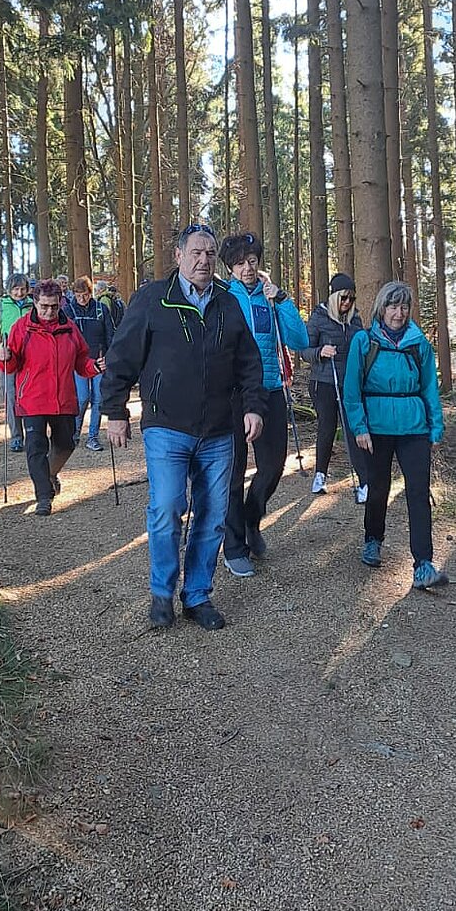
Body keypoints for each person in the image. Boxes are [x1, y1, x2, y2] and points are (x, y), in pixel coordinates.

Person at [102, 224, 265, 631]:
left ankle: (197, 595)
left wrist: (253, 407)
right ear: (178, 256)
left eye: (209, 253)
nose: (203, 260)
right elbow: (122, 355)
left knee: (212, 515)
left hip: (219, 429)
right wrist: (115, 410)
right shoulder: (153, 299)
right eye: (195, 252)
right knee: (167, 506)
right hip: (167, 425)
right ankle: (162, 593)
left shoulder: (228, 303)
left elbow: (249, 363)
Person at [342, 280, 449, 589]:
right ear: (382, 308)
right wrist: (359, 427)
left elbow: (429, 387)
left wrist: (436, 426)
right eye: (392, 306)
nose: (398, 313)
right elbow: (351, 390)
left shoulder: (419, 344)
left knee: (418, 493)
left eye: (403, 307)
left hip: (414, 427)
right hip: (375, 429)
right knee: (378, 489)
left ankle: (423, 564)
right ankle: (373, 539)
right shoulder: (364, 341)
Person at [218, 231, 309, 578]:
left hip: (270, 390)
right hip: (233, 395)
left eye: (252, 261)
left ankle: (251, 518)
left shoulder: (271, 298)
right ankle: (234, 546)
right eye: (240, 263)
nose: (247, 268)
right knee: (233, 472)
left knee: (273, 466)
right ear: (230, 268)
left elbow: (299, 340)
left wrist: (282, 300)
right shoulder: (223, 298)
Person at [0, 280, 97, 516]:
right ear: (35, 302)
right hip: (32, 399)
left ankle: (50, 474)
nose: (49, 311)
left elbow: (82, 362)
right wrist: (5, 357)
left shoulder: (70, 328)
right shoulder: (21, 328)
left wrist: (95, 367)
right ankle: (44, 496)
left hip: (63, 398)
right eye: (44, 306)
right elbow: (10, 367)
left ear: (60, 303)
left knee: (67, 443)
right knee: (36, 448)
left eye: (54, 306)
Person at [302, 272, 369, 503]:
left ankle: (364, 482)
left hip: (349, 384)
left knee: (353, 429)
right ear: (333, 297)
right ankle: (320, 475)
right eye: (343, 298)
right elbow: (303, 350)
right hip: (323, 382)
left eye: (351, 298)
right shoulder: (319, 317)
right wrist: (320, 352)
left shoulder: (355, 320)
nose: (347, 303)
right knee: (327, 427)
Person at [0, 273, 33, 452]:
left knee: (29, 397)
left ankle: (32, 434)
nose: (19, 293)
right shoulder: (0, 307)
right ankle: (16, 437)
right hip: (7, 357)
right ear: (9, 290)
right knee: (11, 397)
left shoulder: (33, 306)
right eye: (15, 289)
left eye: (22, 289)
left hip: (30, 358)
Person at [66, 276, 113, 451]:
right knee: (82, 398)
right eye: (78, 295)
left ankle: (93, 436)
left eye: (85, 294)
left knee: (98, 399)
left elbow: (110, 334)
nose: (82, 299)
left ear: (90, 292)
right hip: (78, 362)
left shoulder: (101, 309)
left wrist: (108, 356)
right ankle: (75, 432)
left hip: (99, 360)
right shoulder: (68, 310)